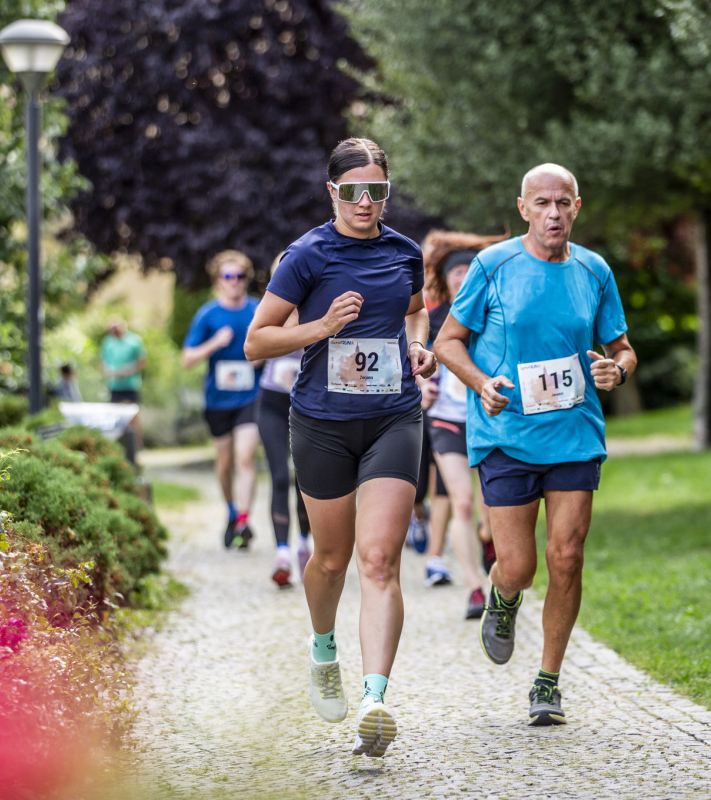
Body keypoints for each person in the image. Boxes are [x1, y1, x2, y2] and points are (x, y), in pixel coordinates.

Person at [244, 137, 436, 758]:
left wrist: (417, 345)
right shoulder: (306, 256)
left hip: (394, 417)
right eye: (353, 191)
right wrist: (322, 328)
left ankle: (376, 699)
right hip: (322, 421)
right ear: (333, 192)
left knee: (379, 561)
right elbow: (257, 342)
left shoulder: (405, 252)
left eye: (377, 191)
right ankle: (323, 646)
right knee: (331, 558)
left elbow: (414, 311)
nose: (365, 202)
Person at [434, 164, 636, 727]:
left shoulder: (594, 271)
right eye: (542, 203)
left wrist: (616, 373)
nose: (554, 213)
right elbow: (448, 341)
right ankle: (503, 596)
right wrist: (481, 384)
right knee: (519, 567)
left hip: (574, 433)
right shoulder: (493, 265)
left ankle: (547, 681)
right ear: (523, 208)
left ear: (577, 207)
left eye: (563, 203)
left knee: (567, 557)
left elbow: (622, 348)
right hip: (506, 435)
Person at [420, 230, 506, 620]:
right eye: (454, 271)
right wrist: (422, 383)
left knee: (491, 507)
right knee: (463, 500)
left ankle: (489, 541)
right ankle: (475, 588)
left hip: (489, 418)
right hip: (447, 420)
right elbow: (417, 359)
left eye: (468, 269)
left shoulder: (496, 313)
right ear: (446, 278)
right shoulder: (434, 318)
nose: (461, 276)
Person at [182, 250, 263, 550]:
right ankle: (230, 509)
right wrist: (215, 343)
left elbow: (274, 343)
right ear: (218, 280)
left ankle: (244, 520)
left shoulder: (257, 310)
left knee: (245, 456)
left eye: (240, 276)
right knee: (226, 462)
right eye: (228, 276)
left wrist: (260, 357)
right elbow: (187, 359)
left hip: (250, 397)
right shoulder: (208, 314)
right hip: (217, 400)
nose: (235, 282)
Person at [256, 255, 313, 588]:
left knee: (304, 480)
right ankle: (281, 552)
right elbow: (255, 351)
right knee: (279, 475)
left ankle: (305, 543)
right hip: (273, 403)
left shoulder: (318, 305)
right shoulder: (269, 309)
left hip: (307, 406)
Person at [99, 318, 146, 443]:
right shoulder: (107, 342)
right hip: (114, 385)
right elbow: (102, 363)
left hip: (130, 385)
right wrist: (110, 372)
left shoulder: (134, 341)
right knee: (113, 417)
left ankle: (137, 445)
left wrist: (129, 370)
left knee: (133, 416)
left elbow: (142, 362)